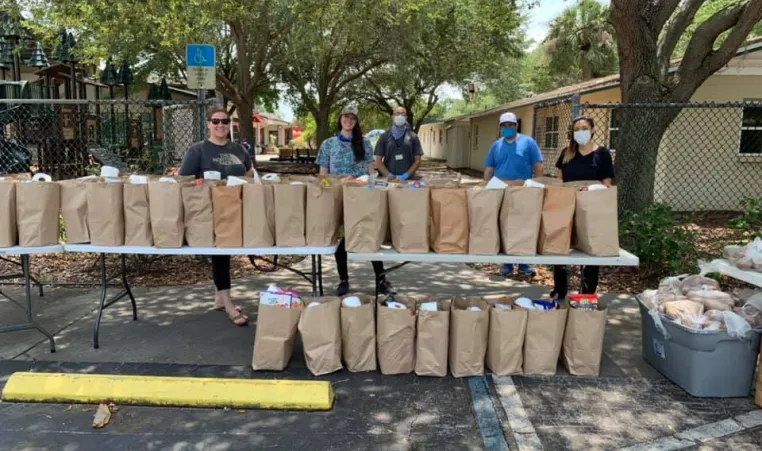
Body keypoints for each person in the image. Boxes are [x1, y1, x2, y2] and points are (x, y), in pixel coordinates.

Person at [179, 106, 254, 326]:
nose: (221, 125)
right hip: (208, 211)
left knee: (225, 253)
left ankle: (219, 299)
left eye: (225, 121)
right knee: (220, 254)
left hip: (236, 208)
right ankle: (229, 305)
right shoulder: (198, 150)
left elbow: (249, 172)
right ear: (208, 124)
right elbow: (185, 181)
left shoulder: (238, 149)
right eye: (216, 121)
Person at [316, 104, 395, 296]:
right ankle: (343, 279)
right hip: (338, 198)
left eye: (353, 118)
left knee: (369, 236)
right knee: (341, 241)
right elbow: (323, 174)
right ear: (340, 119)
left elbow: (370, 170)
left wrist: (374, 185)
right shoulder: (328, 144)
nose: (349, 120)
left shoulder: (365, 143)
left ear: (356, 121)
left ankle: (381, 280)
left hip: (361, 198)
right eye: (346, 117)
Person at [551, 116, 614, 300]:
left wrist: (591, 191)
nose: (580, 132)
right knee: (561, 246)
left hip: (592, 207)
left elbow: (607, 184)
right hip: (567, 205)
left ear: (593, 130)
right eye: (576, 129)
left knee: (591, 249)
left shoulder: (602, 154)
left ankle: (586, 293)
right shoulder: (566, 153)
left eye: (584, 128)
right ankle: (560, 290)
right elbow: (559, 181)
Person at [484, 112, 543, 278]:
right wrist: (484, 188)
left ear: (516, 125)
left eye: (511, 124)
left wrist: (536, 186)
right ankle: (507, 264)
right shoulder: (496, 146)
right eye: (504, 125)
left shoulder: (528, 143)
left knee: (523, 224)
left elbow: (538, 166)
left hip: (522, 190)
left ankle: (524, 263)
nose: (507, 128)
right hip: (499, 189)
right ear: (500, 128)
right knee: (503, 223)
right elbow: (489, 169)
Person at [374, 106, 423, 180]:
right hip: (388, 181)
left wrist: (405, 176)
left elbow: (417, 161)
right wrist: (388, 175)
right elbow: (378, 161)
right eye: (397, 114)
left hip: (408, 180)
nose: (400, 116)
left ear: (406, 117)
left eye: (402, 114)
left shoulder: (413, 136)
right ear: (393, 117)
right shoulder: (384, 136)